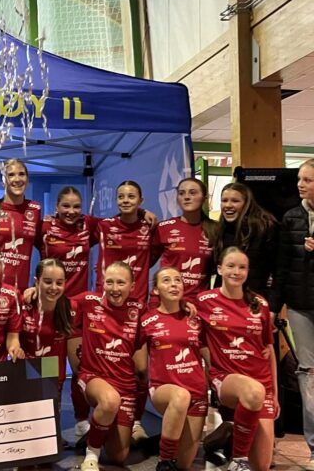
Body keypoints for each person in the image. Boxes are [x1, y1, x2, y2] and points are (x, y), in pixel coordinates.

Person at [196, 247, 278, 471]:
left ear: (248, 272)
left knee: (262, 465)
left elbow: (269, 350)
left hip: (261, 383)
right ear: (219, 269)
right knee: (253, 391)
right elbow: (195, 338)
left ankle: (230, 431)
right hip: (226, 378)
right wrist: (210, 364)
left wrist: (274, 394)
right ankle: (238, 459)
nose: (236, 271)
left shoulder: (260, 304)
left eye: (242, 267)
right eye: (230, 266)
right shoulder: (204, 301)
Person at [94, 180, 155, 441]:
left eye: (131, 196)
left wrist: (143, 214)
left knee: (140, 370)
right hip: (107, 308)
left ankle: (136, 421)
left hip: (137, 308)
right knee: (104, 366)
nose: (125, 200)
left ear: (141, 200)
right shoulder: (104, 226)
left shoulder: (149, 227)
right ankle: (98, 420)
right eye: (121, 196)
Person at [70, 262, 146, 471]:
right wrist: (33, 292)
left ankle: (97, 427)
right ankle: (91, 456)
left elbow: (164, 319)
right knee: (110, 400)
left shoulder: (139, 309)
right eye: (109, 282)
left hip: (125, 385)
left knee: (118, 456)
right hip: (93, 377)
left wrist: (184, 307)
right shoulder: (88, 301)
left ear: (132, 286)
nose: (114, 288)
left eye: (121, 283)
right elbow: (57, 301)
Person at [140, 267, 207, 471]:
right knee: (180, 396)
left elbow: (208, 354)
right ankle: (164, 461)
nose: (173, 284)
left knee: (184, 464)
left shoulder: (195, 317)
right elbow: (139, 365)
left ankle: (160, 443)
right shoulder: (146, 321)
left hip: (197, 393)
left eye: (177, 280)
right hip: (164, 389)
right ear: (156, 290)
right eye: (166, 280)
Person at [274, 158, 314, 469]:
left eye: (307, 180)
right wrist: (274, 307)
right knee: (308, 372)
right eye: (300, 179)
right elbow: (282, 267)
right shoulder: (290, 217)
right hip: (300, 304)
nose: (300, 184)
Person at [151, 178, 218, 306]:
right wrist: (141, 212)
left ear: (204, 198)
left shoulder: (215, 229)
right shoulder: (164, 228)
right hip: (165, 303)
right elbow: (143, 263)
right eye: (181, 193)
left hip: (198, 304)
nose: (186, 197)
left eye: (192, 193)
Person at [0, 159, 42, 292]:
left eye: (21, 174)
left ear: (27, 179)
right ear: (3, 181)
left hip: (20, 291)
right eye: (11, 175)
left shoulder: (34, 209)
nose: (17, 179)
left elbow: (46, 246)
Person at [215, 182, 277, 300]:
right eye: (224, 200)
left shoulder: (264, 228)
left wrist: (273, 303)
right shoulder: (220, 229)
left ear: (247, 203)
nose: (228, 205)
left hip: (254, 299)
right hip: (223, 299)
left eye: (235, 201)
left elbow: (278, 269)